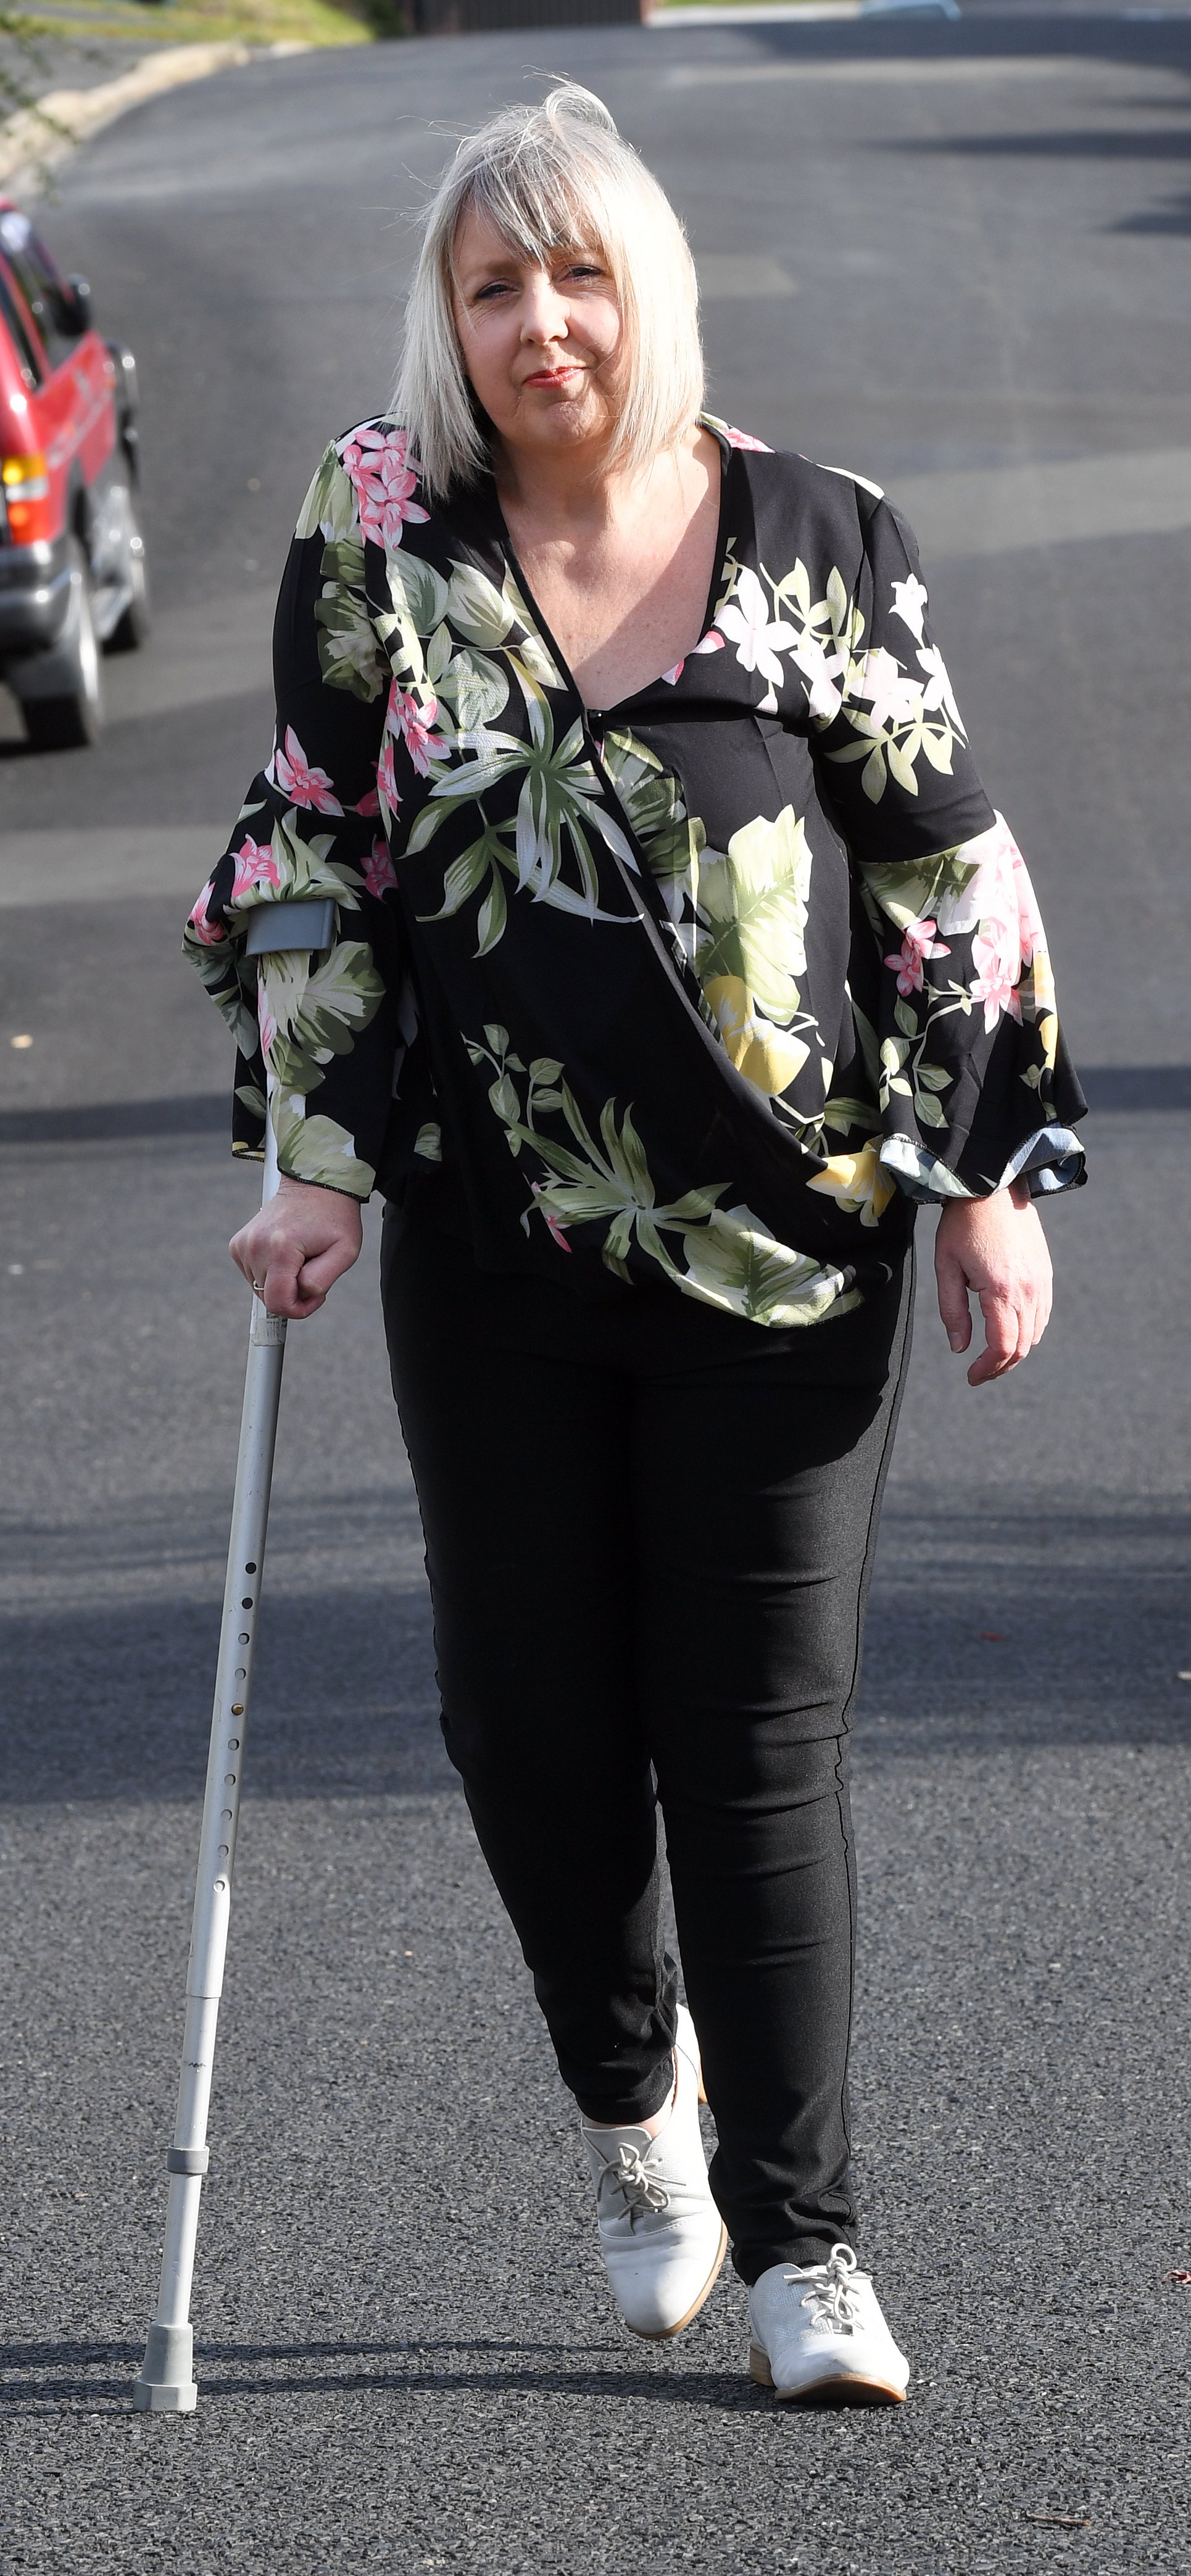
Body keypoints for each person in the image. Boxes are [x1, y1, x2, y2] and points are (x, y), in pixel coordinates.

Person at [185, 84, 1085, 2406]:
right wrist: (313, 1154)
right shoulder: (378, 534)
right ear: (447, 321)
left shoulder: (817, 534)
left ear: (646, 291)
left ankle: (809, 2253)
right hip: (495, 1248)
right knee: (528, 1731)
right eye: (493, 287)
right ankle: (637, 2120)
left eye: (578, 275)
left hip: (789, 1255)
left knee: (755, 1740)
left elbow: (941, 880)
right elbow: (315, 850)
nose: (539, 322)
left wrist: (977, 1184)